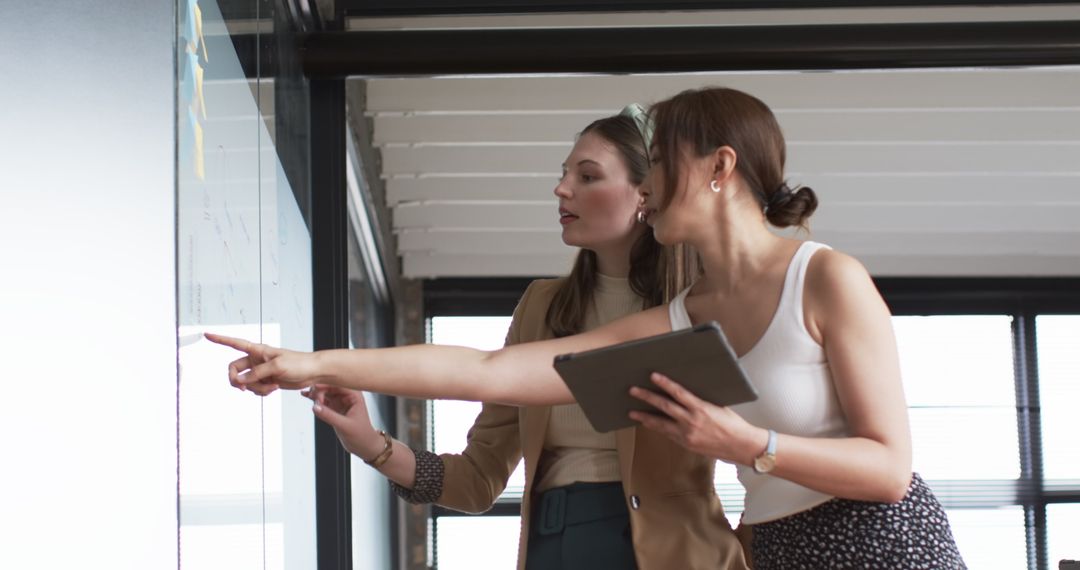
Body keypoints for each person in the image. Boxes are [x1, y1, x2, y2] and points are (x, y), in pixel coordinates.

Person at [210, 87, 966, 568]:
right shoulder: (684, 317)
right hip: (773, 549)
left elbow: (890, 470)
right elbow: (485, 373)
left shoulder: (827, 277)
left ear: (719, 168)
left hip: (876, 544)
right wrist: (314, 364)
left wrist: (744, 446)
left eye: (658, 165)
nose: (646, 190)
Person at [294, 107, 748, 570]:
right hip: (554, 545)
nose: (562, 188)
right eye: (565, 173)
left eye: (587, 176)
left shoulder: (699, 306)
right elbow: (477, 479)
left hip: (683, 554)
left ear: (644, 192)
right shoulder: (542, 307)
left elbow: (767, 450)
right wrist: (372, 445)